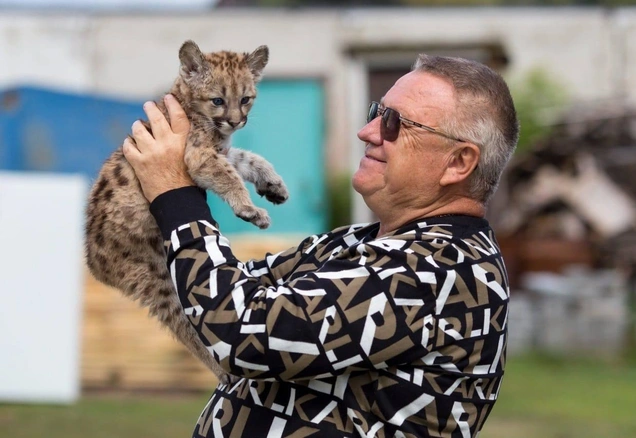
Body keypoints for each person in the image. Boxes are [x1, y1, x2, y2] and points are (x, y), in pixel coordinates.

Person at [123, 54, 519, 437]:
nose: (368, 132)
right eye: (376, 112)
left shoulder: (439, 270)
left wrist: (175, 194)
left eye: (396, 123)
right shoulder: (360, 243)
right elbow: (220, 291)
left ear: (458, 163)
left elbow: (243, 333)